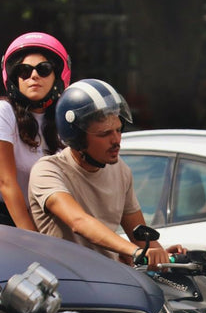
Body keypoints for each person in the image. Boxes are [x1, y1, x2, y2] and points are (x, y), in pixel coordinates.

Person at [27, 78, 184, 267]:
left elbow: (139, 237)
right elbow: (79, 221)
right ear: (76, 139)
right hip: (65, 283)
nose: (116, 140)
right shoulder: (48, 171)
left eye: (119, 130)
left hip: (109, 280)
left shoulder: (121, 171)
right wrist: (135, 251)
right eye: (104, 134)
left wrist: (162, 256)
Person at [0, 32, 72, 229]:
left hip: (47, 224)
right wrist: (32, 239)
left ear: (58, 75)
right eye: (24, 71)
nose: (34, 76)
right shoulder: (2, 111)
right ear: (14, 78)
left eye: (43, 69)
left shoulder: (64, 119)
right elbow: (6, 183)